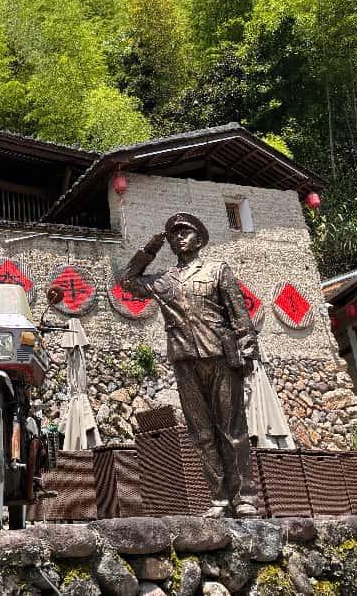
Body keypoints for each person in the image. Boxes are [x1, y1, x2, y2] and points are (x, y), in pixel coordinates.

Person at [117, 213, 259, 518]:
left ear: (200, 239)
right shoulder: (164, 279)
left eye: (186, 232)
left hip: (220, 356)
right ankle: (219, 499)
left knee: (233, 431)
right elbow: (126, 281)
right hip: (184, 361)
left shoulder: (217, 270)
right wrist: (150, 248)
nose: (179, 237)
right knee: (202, 434)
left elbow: (239, 315)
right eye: (174, 234)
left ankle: (245, 498)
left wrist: (248, 353)